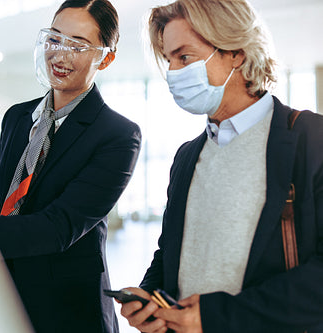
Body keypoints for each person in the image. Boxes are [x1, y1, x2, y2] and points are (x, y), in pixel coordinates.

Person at [118, 0, 323, 332]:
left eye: (185, 57)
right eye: (169, 60)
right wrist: (152, 299)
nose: (173, 72)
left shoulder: (310, 140)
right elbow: (170, 251)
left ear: (236, 52)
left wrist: (217, 317)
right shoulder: (187, 157)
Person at [0, 1, 141, 332]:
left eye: (78, 45)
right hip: (1, 301)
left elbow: (59, 227)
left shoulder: (118, 135)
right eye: (54, 39)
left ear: (105, 58)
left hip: (68, 312)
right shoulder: (17, 117)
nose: (60, 55)